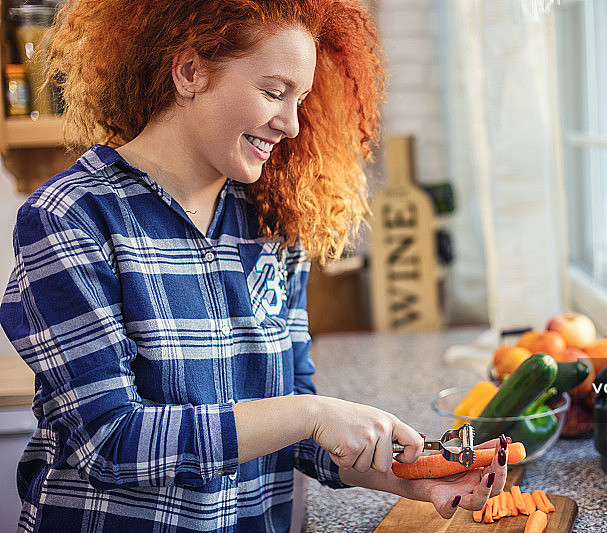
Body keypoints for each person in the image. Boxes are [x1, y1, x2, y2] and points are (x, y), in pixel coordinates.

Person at [0, 1, 508, 531]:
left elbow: (296, 437)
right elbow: (109, 442)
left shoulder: (274, 222)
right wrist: (310, 416)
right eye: (273, 91)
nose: (290, 124)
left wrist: (417, 479)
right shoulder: (71, 218)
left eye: (301, 98)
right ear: (190, 71)